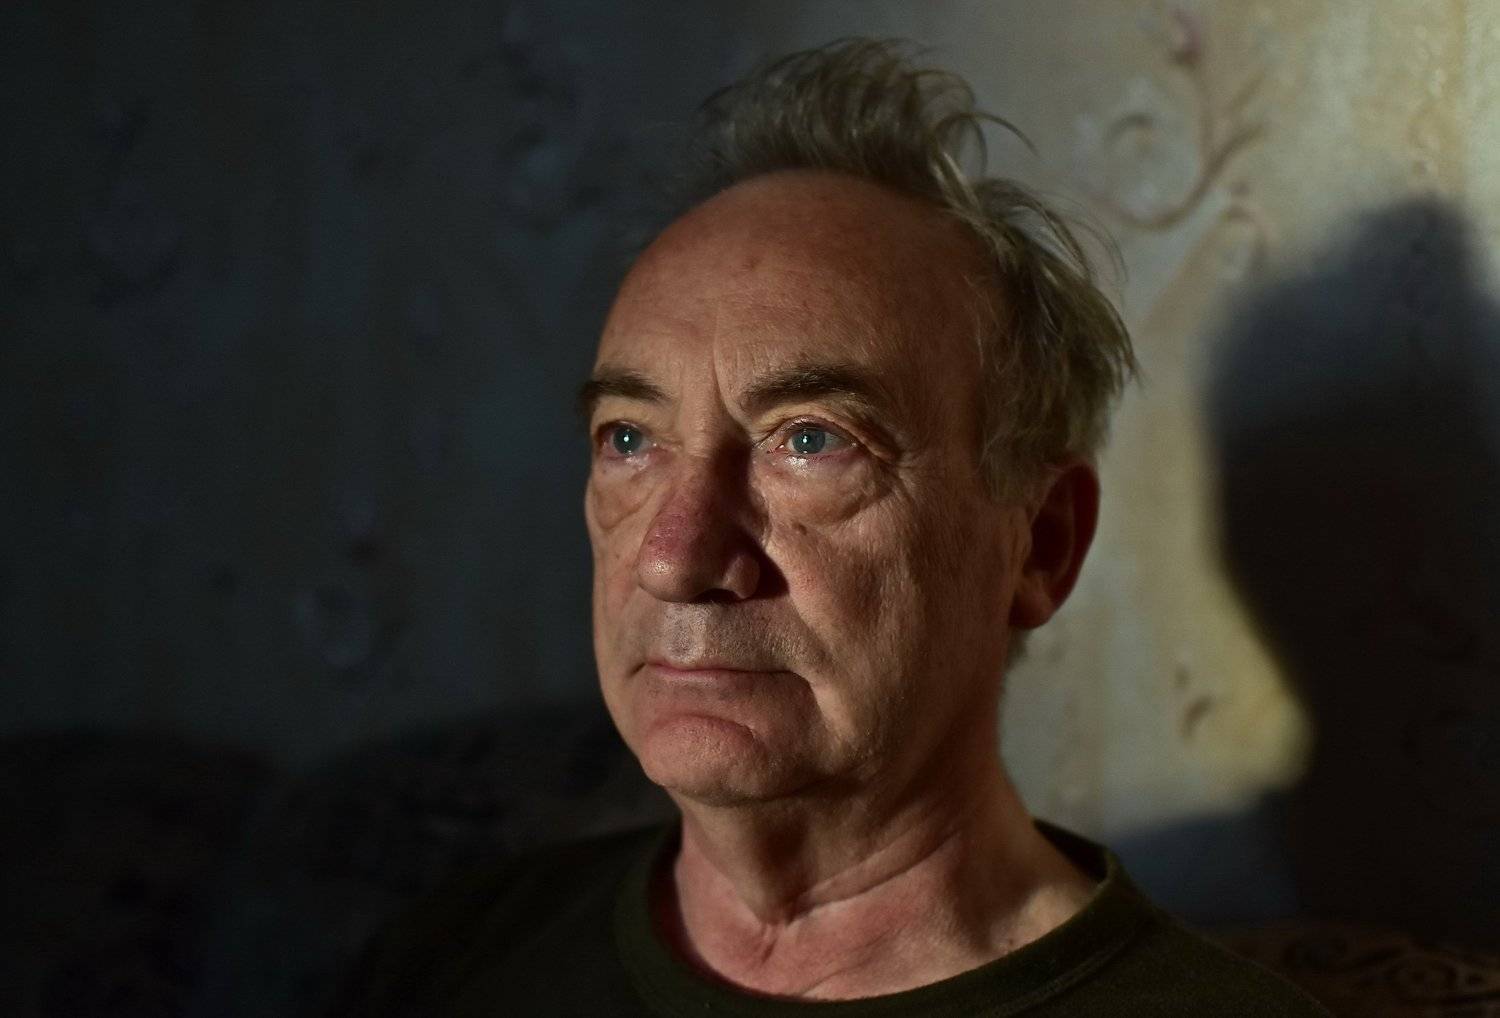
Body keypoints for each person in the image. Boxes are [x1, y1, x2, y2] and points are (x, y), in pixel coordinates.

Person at [334, 39, 1330, 1016]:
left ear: (1040, 544)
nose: (676, 559)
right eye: (630, 438)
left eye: (810, 440)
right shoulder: (452, 951)